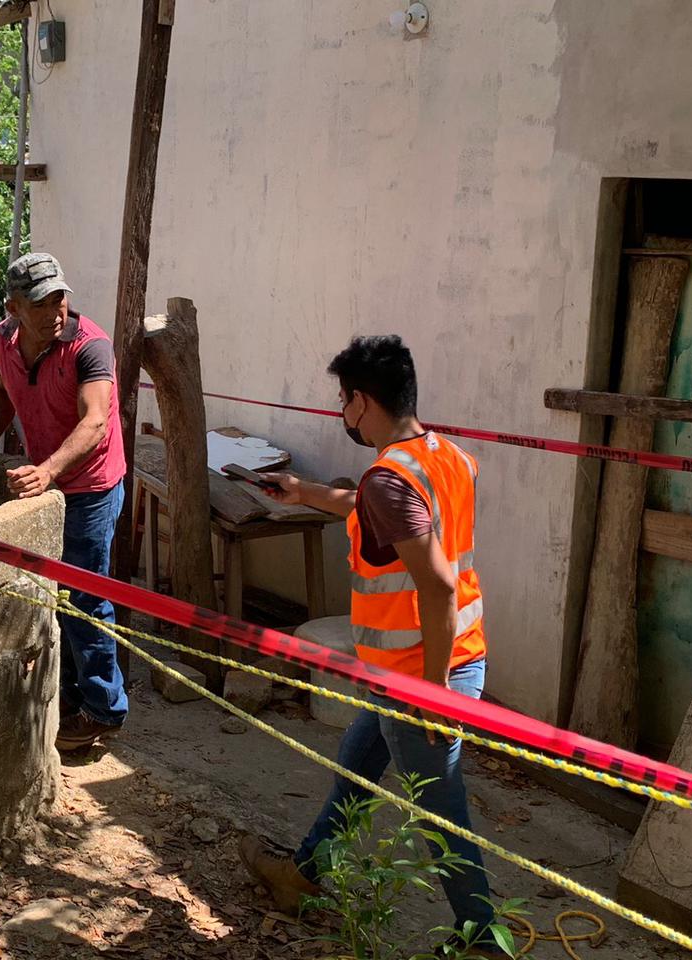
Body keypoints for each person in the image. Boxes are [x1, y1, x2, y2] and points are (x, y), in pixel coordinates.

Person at [238, 336, 500, 957]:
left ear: (362, 401)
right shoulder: (447, 457)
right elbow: (378, 512)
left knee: (442, 820)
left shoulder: (391, 478)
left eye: (342, 401)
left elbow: (435, 583)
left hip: (422, 677)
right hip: (435, 662)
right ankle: (302, 877)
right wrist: (303, 492)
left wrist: (431, 695)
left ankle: (486, 940)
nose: (341, 413)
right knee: (354, 776)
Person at [0, 252, 128, 752]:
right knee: (61, 596)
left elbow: (95, 421)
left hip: (91, 485)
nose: (57, 310)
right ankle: (74, 697)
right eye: (42, 301)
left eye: (61, 297)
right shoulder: (0, 340)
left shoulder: (89, 346)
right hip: (48, 480)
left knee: (84, 598)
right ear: (14, 307)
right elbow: (5, 389)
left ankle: (103, 709)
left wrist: (49, 468)